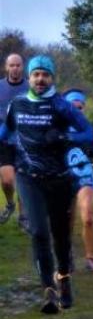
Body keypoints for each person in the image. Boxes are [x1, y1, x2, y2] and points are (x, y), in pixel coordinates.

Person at [0, 55, 93, 313]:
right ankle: (48, 291)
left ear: (52, 78)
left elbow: (89, 134)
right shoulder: (17, 104)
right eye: (36, 75)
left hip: (59, 178)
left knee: (60, 235)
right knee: (39, 232)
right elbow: (5, 132)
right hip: (28, 177)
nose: (40, 79)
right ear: (29, 78)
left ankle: (63, 277)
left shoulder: (61, 106)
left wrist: (64, 137)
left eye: (45, 75)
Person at [63, 89, 93, 272]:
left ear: (83, 108)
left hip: (84, 174)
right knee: (66, 218)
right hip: (63, 175)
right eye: (72, 106)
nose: (76, 110)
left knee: (88, 217)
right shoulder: (57, 125)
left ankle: (91, 257)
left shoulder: (87, 127)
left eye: (79, 107)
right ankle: (65, 255)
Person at [1, 52, 27, 225]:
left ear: (22, 67)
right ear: (6, 67)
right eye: (12, 65)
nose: (15, 68)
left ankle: (23, 216)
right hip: (4, 139)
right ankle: (10, 203)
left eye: (18, 65)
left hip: (26, 139)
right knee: (7, 180)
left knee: (24, 179)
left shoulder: (30, 87)